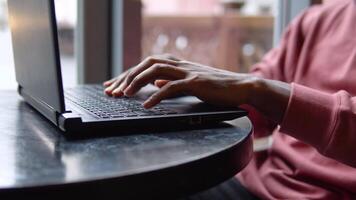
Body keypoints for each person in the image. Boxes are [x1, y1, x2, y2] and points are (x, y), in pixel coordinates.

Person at [103, 0, 356, 199]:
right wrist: (183, 89)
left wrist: (257, 90)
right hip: (255, 186)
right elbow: (254, 102)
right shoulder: (316, 21)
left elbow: (258, 90)